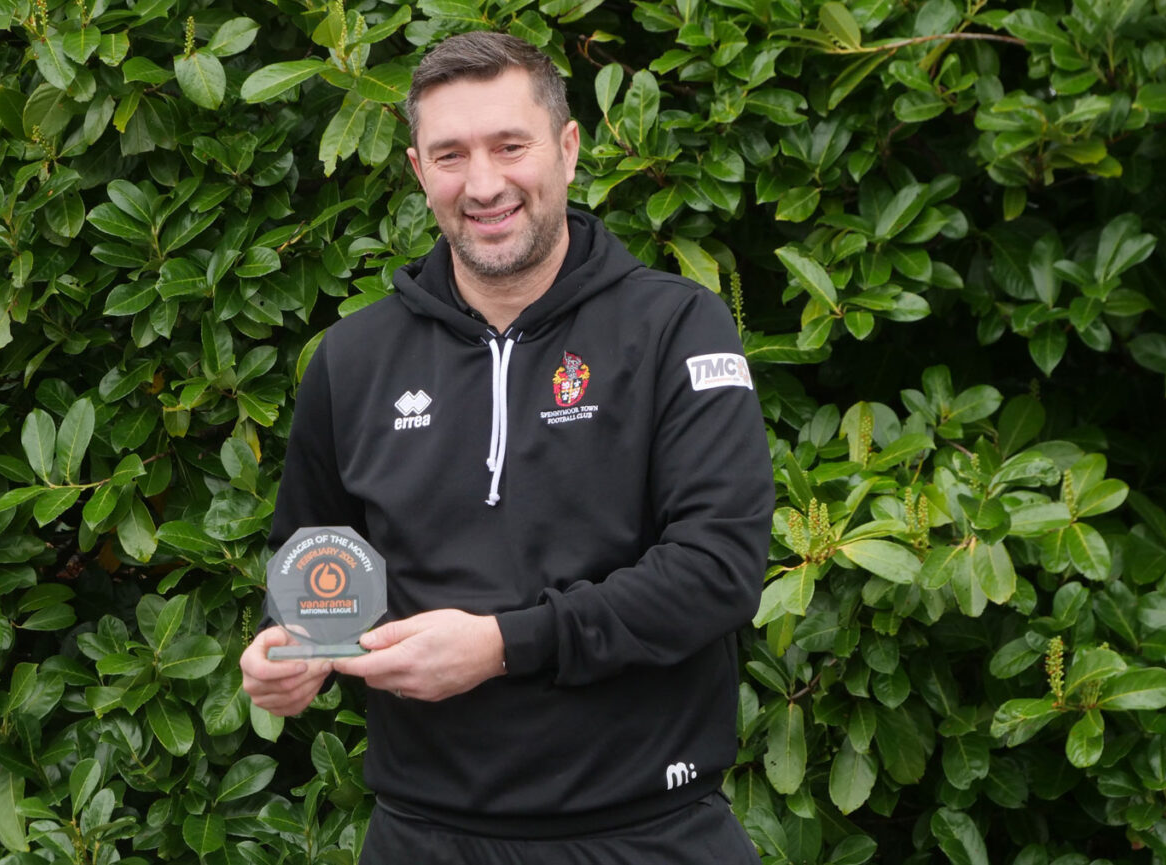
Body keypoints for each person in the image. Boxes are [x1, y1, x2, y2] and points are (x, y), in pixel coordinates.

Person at [239, 31, 772, 864]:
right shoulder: (352, 359)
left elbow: (717, 570)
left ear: (567, 149)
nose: (482, 184)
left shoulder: (674, 327)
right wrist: (288, 645)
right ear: (419, 171)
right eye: (450, 155)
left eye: (509, 146)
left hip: (646, 832)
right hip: (422, 835)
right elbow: (314, 554)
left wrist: (502, 645)